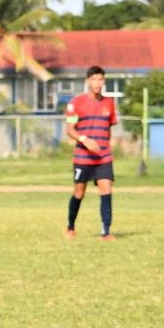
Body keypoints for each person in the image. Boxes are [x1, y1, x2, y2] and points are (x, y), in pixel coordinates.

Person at [64, 65, 117, 240]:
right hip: (83, 157)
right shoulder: (75, 103)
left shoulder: (109, 103)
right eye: (94, 79)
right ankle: (70, 226)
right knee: (79, 192)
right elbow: (70, 129)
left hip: (103, 157)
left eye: (100, 79)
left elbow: (108, 129)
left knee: (106, 189)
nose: (97, 83)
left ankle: (106, 232)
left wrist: (105, 146)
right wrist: (85, 140)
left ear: (104, 81)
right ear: (87, 81)